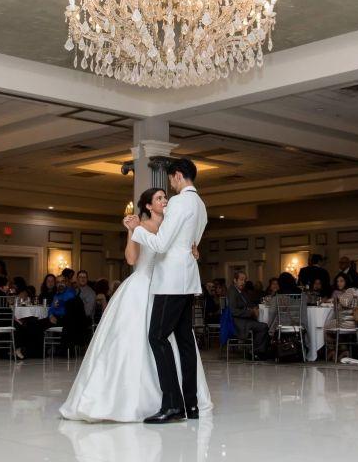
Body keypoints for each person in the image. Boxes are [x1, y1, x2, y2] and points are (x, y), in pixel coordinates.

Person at [61, 186, 212, 422]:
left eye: (165, 197)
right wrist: (132, 231)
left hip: (169, 289)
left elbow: (184, 251)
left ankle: (182, 400)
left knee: (173, 340)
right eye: (159, 198)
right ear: (149, 206)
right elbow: (131, 259)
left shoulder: (174, 225)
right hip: (142, 287)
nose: (165, 200)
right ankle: (140, 399)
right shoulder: (141, 226)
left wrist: (194, 252)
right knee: (137, 340)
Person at [127, 157, 209, 424]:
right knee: (185, 341)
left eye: (171, 179)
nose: (171, 186)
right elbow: (193, 243)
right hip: (188, 280)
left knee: (157, 337)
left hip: (171, 281)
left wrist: (136, 230)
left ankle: (172, 404)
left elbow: (161, 245)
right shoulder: (200, 204)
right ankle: (191, 406)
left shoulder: (179, 202)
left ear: (178, 176)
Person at [227, 270, 271, 359]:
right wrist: (250, 312)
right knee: (264, 327)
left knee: (265, 325)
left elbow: (249, 303)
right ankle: (255, 352)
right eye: (241, 280)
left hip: (245, 320)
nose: (243, 282)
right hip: (238, 322)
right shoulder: (232, 292)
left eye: (245, 280)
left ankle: (259, 351)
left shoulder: (242, 291)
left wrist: (255, 307)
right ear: (235, 280)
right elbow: (233, 311)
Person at [324, 273, 358, 360]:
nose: (339, 283)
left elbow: (344, 303)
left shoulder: (350, 291)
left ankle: (332, 350)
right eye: (337, 281)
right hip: (351, 322)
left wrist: (337, 298)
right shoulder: (349, 291)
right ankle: (343, 350)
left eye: (341, 281)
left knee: (325, 328)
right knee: (336, 325)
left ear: (346, 281)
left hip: (346, 322)